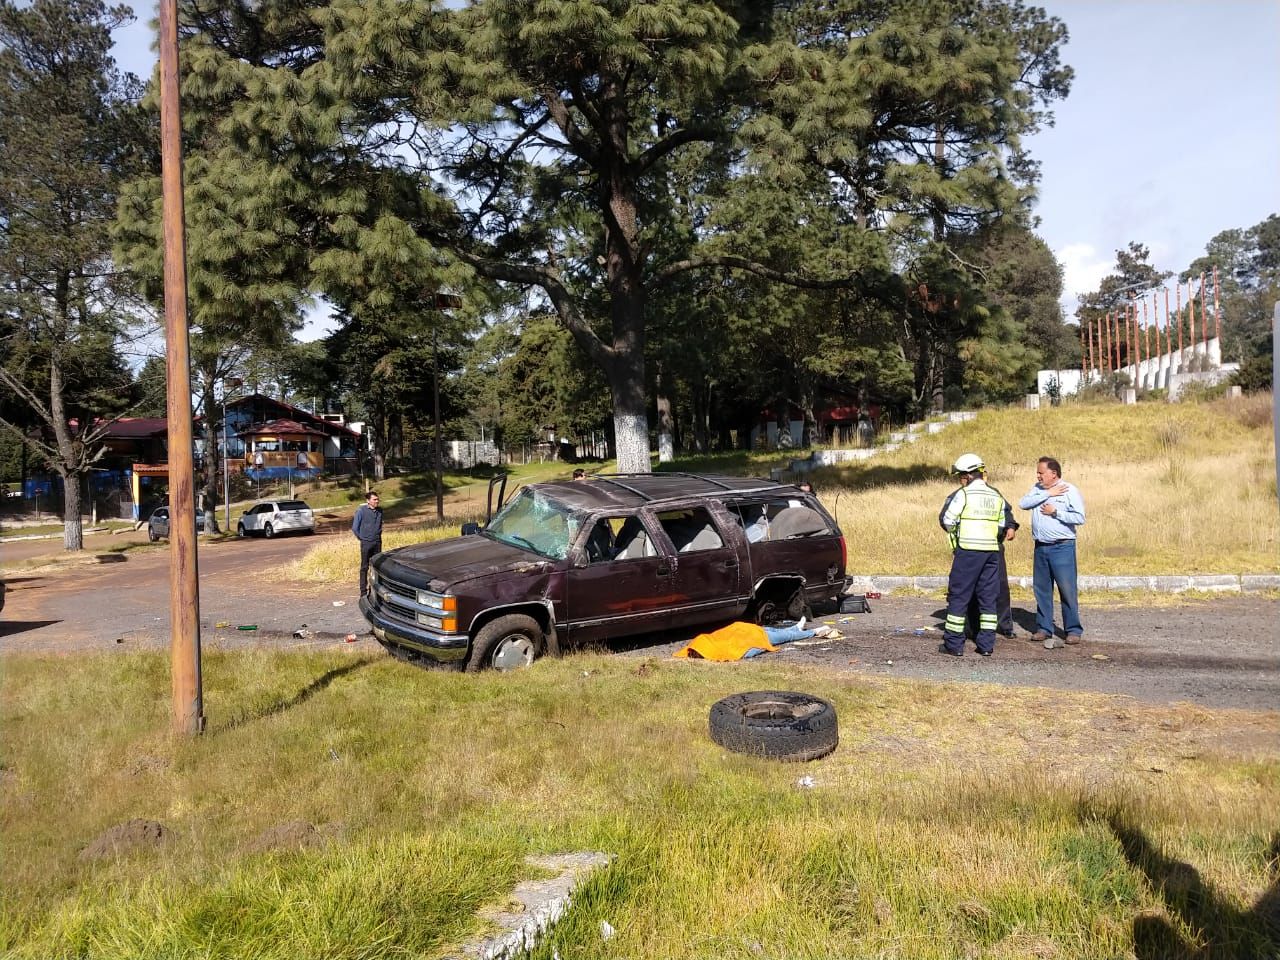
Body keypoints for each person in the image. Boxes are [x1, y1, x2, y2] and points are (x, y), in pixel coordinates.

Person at [937, 453, 1008, 657]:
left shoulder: (964, 494)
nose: (960, 480)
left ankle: (953, 644)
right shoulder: (996, 496)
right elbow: (1002, 526)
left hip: (968, 552)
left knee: (959, 596)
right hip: (991, 554)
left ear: (968, 476)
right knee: (988, 598)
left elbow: (948, 520)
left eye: (960, 476)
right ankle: (986, 645)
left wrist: (959, 531)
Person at [1019, 456, 1086, 649]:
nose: (1038, 476)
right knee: (1042, 590)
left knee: (1067, 590)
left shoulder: (1069, 490)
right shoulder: (1038, 489)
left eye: (1041, 472)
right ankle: (1044, 628)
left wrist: (1056, 512)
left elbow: (1080, 517)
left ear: (1053, 473)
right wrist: (1048, 492)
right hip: (1041, 547)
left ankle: (1073, 630)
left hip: (1062, 547)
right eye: (1037, 472)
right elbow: (1023, 504)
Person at [966, 498, 1019, 639]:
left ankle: (1005, 626)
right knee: (972, 588)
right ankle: (975, 626)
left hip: (994, 546)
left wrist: (1011, 526)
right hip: (971, 548)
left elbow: (1006, 511)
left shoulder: (994, 494)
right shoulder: (962, 495)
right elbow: (946, 518)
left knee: (1000, 587)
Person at [352, 490, 383, 597]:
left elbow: (379, 526)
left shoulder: (380, 511)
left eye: (377, 499)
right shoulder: (361, 511)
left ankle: (375, 588)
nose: (377, 501)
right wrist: (363, 539)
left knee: (377, 566)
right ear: (368, 501)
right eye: (374, 499)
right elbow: (355, 528)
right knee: (364, 567)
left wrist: (378, 535)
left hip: (377, 543)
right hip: (366, 543)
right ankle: (363, 591)